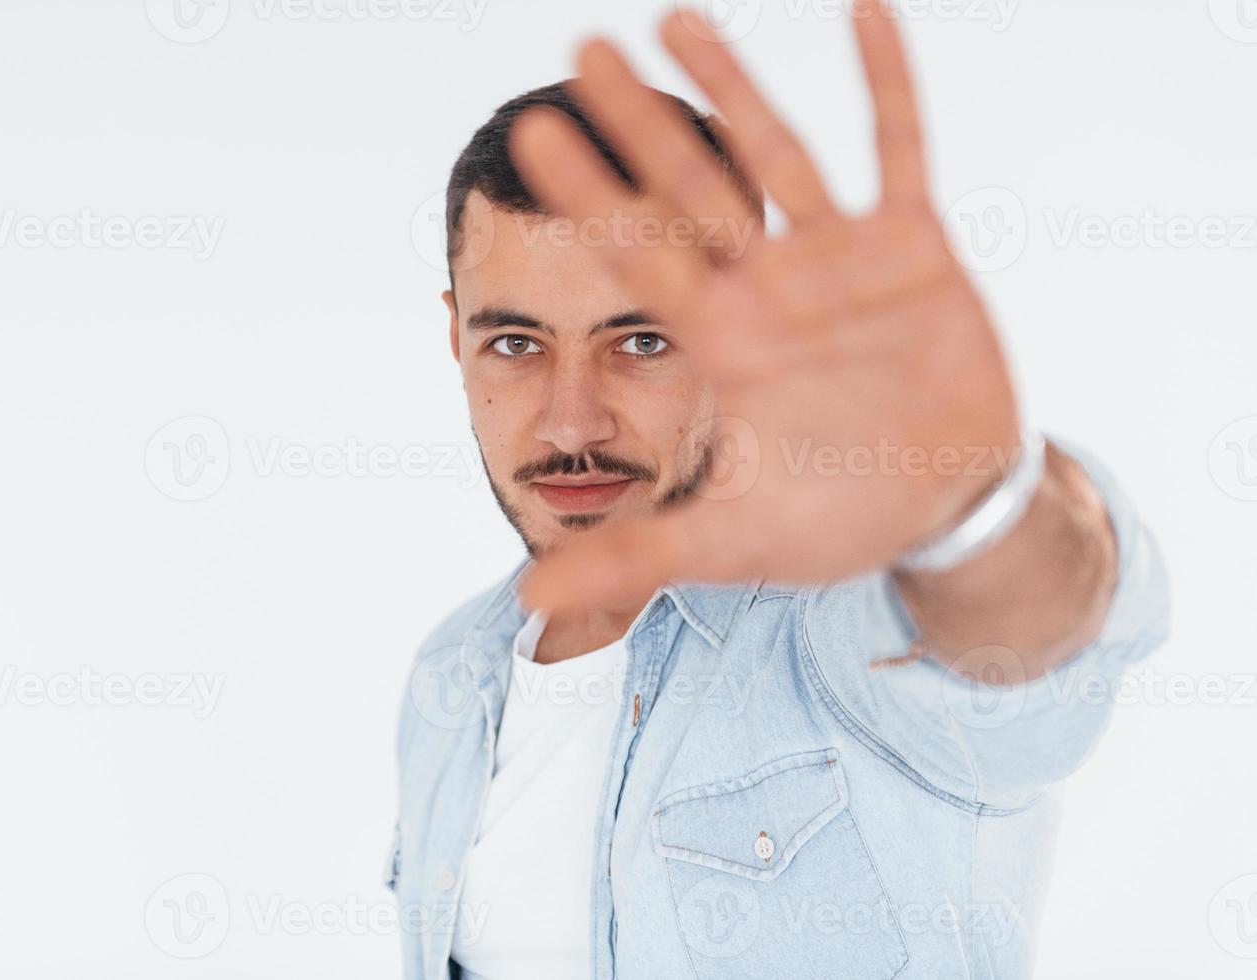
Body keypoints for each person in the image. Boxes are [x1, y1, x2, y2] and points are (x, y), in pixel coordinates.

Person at [387, 4, 1170, 978]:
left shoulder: (844, 629)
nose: (570, 424)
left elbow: (1025, 642)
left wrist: (966, 505)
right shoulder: (446, 680)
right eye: (515, 343)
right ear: (454, 331)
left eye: (642, 340)